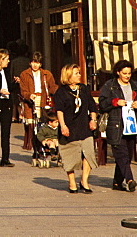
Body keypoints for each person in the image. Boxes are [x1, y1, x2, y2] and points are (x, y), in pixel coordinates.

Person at [99, 60, 137, 192]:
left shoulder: (136, 86)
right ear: (118, 73)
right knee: (121, 153)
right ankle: (129, 179)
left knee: (126, 155)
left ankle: (117, 182)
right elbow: (102, 103)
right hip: (116, 125)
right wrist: (115, 102)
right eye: (124, 73)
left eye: (129, 73)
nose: (127, 76)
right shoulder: (110, 86)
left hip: (132, 125)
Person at [53, 63, 99, 193]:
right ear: (68, 75)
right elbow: (60, 110)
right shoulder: (61, 92)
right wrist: (63, 126)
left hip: (84, 126)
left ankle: (84, 180)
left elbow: (92, 106)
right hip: (69, 126)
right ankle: (72, 181)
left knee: (88, 153)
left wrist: (93, 120)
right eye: (76, 73)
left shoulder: (84, 89)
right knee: (70, 155)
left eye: (79, 72)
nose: (79, 75)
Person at [18, 52, 58, 150]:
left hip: (43, 99)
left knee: (42, 123)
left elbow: (52, 87)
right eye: (33, 62)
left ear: (41, 64)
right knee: (31, 124)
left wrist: (61, 90)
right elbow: (23, 90)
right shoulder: (24, 74)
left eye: (37, 63)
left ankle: (44, 146)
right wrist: (29, 95)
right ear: (30, 63)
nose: (35, 65)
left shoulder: (46, 74)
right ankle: (32, 145)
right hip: (31, 101)